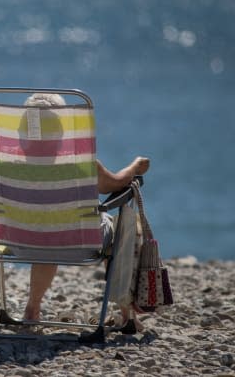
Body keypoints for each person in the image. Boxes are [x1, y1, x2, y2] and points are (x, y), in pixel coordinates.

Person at [21, 93, 150, 333]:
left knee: (47, 234)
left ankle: (32, 308)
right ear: (61, 128)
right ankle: (126, 314)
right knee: (125, 226)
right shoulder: (82, 163)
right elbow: (116, 183)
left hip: (20, 241)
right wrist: (135, 166)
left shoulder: (7, 164)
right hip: (79, 242)